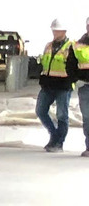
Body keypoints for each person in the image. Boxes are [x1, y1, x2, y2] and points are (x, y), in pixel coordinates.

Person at [35, 19, 74, 152]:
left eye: (57, 30)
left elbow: (74, 67)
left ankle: (59, 142)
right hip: (48, 85)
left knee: (62, 115)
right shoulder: (48, 46)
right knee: (40, 111)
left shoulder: (71, 46)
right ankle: (54, 134)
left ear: (64, 31)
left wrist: (71, 80)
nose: (54, 32)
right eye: (53, 30)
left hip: (63, 86)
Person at [68, 18, 89, 156]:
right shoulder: (77, 45)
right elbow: (70, 65)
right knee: (87, 117)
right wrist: (77, 79)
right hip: (85, 86)